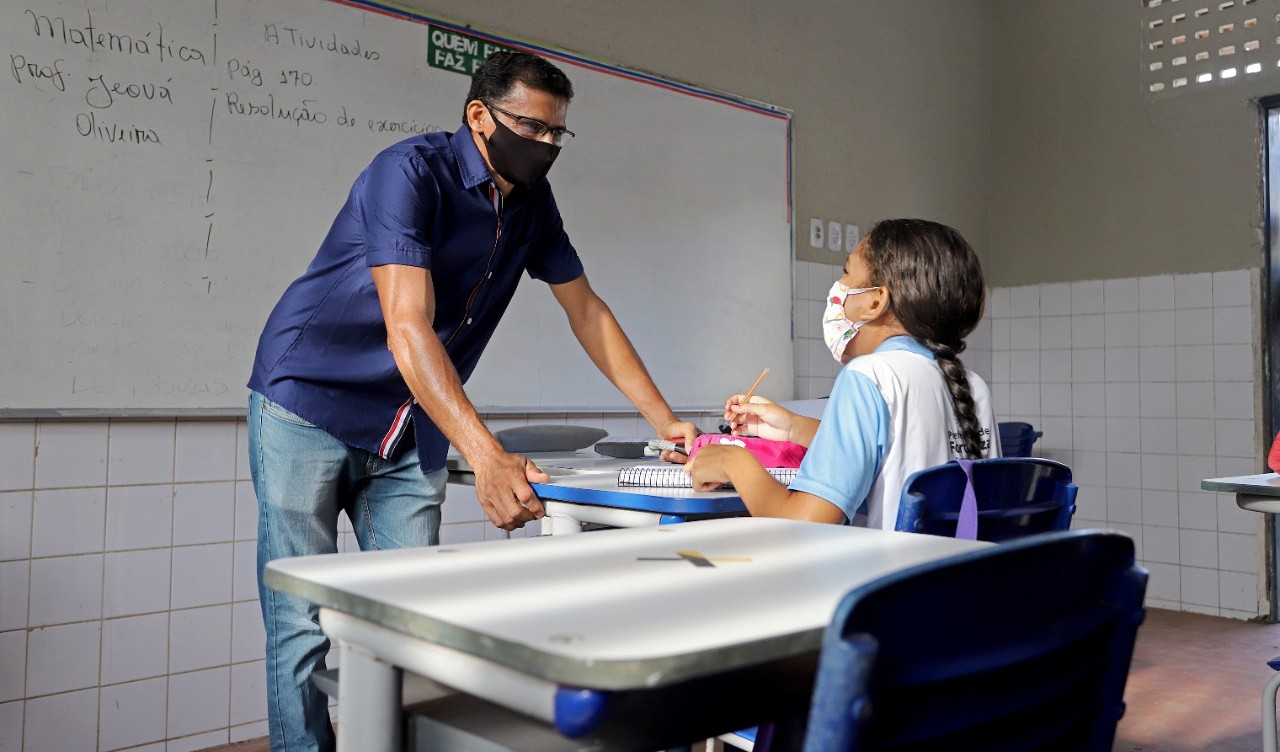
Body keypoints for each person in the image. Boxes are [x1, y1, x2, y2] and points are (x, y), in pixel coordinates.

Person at [246, 51, 697, 752]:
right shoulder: (408, 172)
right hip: (309, 402)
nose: (545, 146)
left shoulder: (533, 204)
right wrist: (486, 456)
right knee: (301, 622)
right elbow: (408, 325)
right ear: (479, 116)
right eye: (532, 128)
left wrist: (669, 423)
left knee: (410, 618)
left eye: (557, 135)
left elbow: (589, 314)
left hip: (410, 424)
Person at [685, 218, 998, 528]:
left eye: (846, 272)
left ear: (876, 301)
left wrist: (732, 462)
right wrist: (793, 428)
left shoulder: (869, 376)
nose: (839, 288)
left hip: (888, 575)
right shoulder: (973, 386)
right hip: (957, 574)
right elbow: (896, 451)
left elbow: (804, 525)